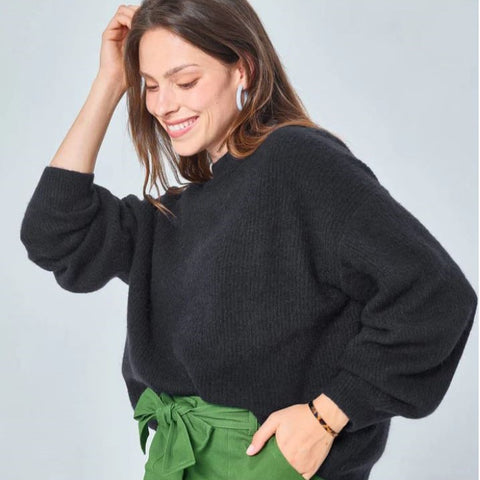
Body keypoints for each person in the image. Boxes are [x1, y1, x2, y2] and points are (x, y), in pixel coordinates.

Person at [19, 1, 477, 480]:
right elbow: (52, 233)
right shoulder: (177, 213)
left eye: (185, 81)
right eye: (150, 85)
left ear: (243, 69)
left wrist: (328, 415)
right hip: (179, 463)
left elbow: (434, 294)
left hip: (268, 464)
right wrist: (108, 83)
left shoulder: (297, 161)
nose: (162, 104)